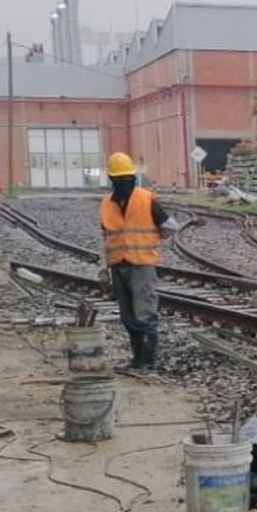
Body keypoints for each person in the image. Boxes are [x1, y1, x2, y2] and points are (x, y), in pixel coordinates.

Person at [98, 152, 180, 372]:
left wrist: (151, 238)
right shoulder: (106, 204)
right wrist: (102, 268)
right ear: (113, 180)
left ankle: (148, 362)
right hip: (118, 265)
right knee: (128, 316)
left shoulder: (145, 199)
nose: (124, 183)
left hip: (141, 265)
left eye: (127, 179)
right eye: (121, 179)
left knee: (144, 313)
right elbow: (105, 237)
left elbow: (170, 226)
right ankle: (137, 360)